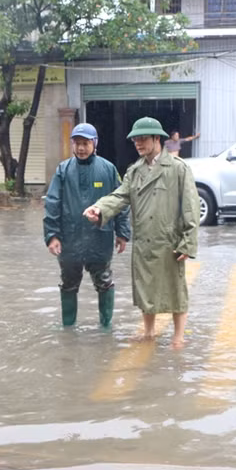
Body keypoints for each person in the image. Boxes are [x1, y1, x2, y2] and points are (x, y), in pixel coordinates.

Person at [83, 117, 200, 349]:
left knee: (176, 289)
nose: (138, 143)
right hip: (143, 240)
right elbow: (120, 196)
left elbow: (190, 207)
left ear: (157, 139)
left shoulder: (178, 168)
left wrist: (188, 242)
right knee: (145, 288)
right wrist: (100, 208)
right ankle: (148, 332)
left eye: (143, 139)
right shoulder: (135, 171)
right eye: (135, 139)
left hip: (169, 240)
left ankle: (178, 337)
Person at [44, 123, 131, 327]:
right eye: (77, 143)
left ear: (95, 143)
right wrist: (52, 236)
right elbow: (52, 203)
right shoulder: (63, 170)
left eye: (86, 143)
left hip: (100, 237)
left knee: (104, 282)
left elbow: (120, 202)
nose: (81, 148)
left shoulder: (108, 169)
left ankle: (106, 327)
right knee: (68, 284)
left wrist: (122, 233)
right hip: (69, 239)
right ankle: (68, 328)